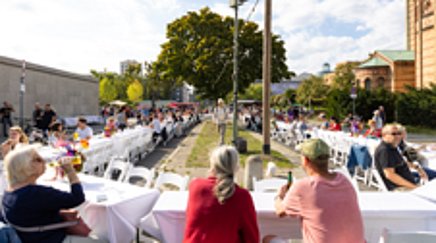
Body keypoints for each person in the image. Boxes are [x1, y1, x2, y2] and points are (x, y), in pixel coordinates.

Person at [1, 145, 106, 243]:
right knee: (104, 240)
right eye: (38, 159)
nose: (43, 160)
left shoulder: (9, 192)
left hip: (28, 238)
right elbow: (78, 198)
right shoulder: (36, 193)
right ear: (26, 168)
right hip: (50, 239)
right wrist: (70, 171)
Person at [267, 139, 365, 243]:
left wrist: (279, 196)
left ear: (305, 160)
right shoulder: (344, 181)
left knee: (268, 238)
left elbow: (280, 211)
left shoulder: (303, 187)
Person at [183, 146, 259, 243]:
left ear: (212, 165)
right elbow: (251, 238)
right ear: (236, 167)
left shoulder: (195, 186)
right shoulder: (243, 197)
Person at [374, 124, 425, 191]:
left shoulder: (392, 147)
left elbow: (400, 162)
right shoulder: (385, 151)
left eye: (399, 133)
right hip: (399, 188)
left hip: (407, 184)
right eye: (393, 134)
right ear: (384, 135)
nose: (397, 136)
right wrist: (414, 187)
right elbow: (390, 175)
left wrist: (418, 169)